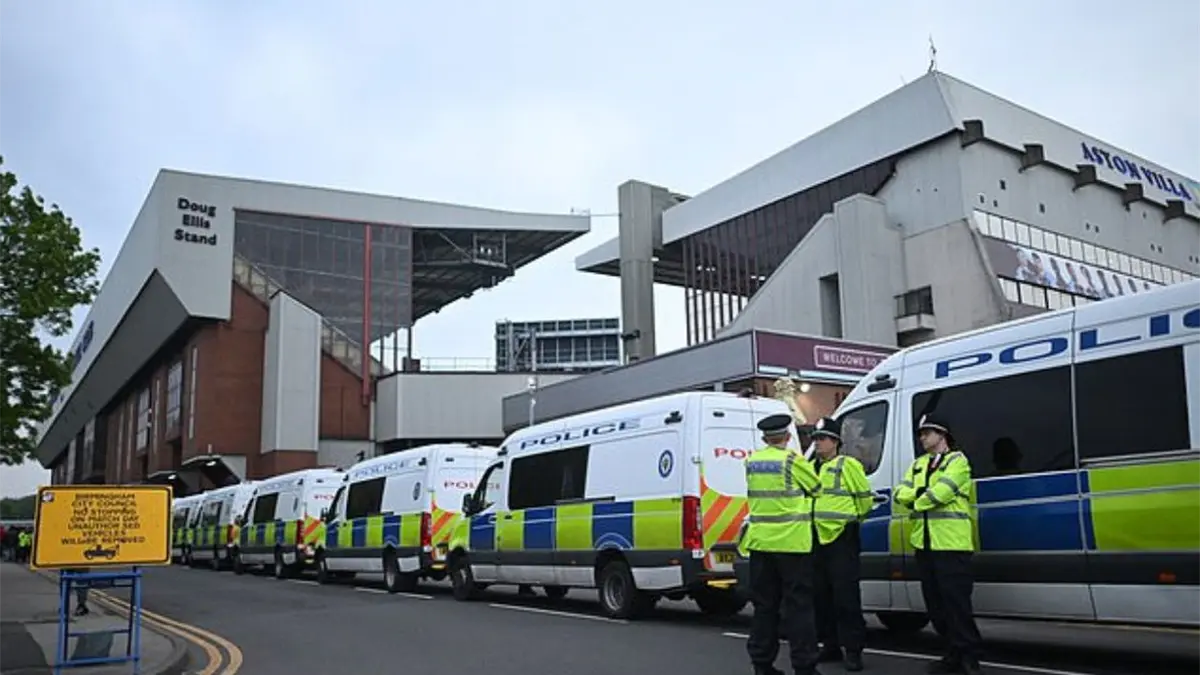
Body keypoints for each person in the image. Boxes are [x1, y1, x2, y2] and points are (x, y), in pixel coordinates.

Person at [894, 415, 984, 675]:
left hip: (951, 544)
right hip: (925, 544)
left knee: (957, 603)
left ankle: (970, 656)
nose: (922, 438)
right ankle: (952, 652)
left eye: (927, 432)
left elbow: (941, 493)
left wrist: (917, 499)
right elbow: (901, 493)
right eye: (921, 433)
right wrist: (918, 497)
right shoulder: (918, 464)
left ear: (942, 435)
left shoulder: (958, 461)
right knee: (936, 605)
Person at [739, 413, 823, 675]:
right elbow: (817, 487)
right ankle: (804, 666)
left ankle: (762, 664)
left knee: (765, 607)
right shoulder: (792, 460)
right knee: (798, 608)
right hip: (792, 544)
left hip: (760, 545)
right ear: (787, 437)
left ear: (765, 438)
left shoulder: (752, 461)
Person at [810, 417, 874, 671]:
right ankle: (830, 644)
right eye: (815, 438)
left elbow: (864, 501)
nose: (817, 443)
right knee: (820, 596)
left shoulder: (848, 465)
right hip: (815, 538)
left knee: (845, 597)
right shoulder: (810, 467)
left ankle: (853, 649)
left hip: (841, 538)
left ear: (835, 442)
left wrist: (850, 522)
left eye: (822, 438)